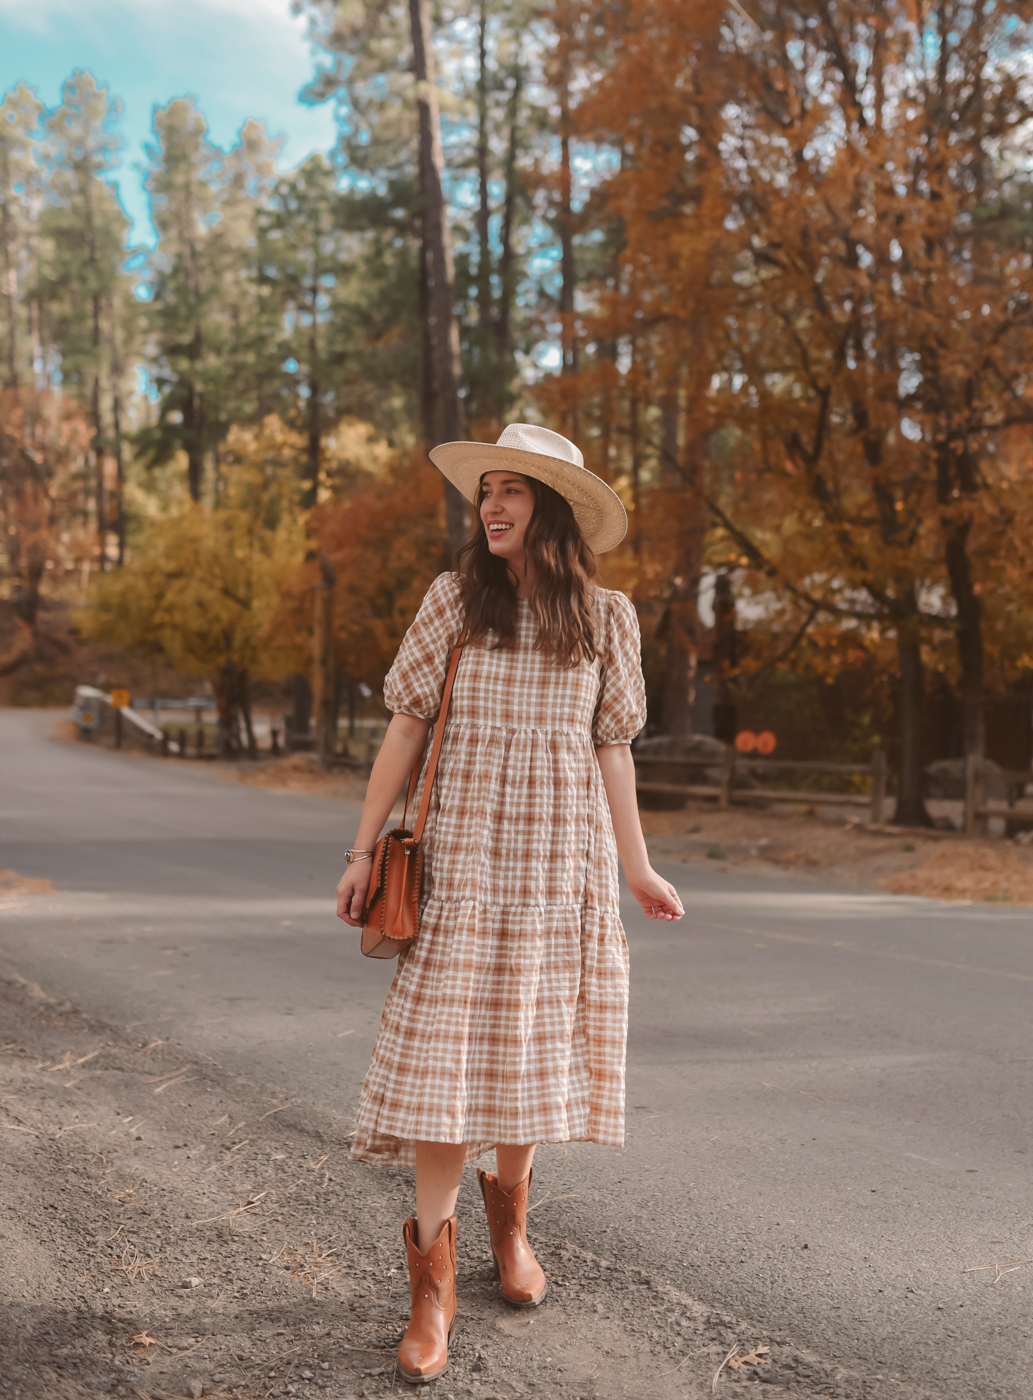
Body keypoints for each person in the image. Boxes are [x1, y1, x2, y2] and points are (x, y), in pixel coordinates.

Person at [335, 423, 684, 1384]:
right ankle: (432, 1287)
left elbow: (612, 750)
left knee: (531, 1048)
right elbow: (406, 728)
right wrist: (364, 849)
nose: (491, 505)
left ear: (555, 510)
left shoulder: (609, 619)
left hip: (559, 866)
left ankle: (512, 1224)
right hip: (463, 862)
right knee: (449, 1058)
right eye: (486, 490)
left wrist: (638, 868)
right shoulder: (454, 601)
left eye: (512, 491)